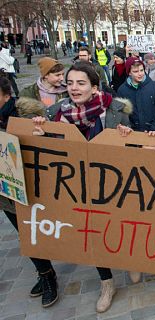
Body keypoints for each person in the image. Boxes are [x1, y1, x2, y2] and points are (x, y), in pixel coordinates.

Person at [32, 61, 133, 312]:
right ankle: (106, 282)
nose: (74, 88)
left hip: (113, 183)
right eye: (70, 83)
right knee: (94, 231)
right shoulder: (55, 113)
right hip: (77, 186)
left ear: (94, 87)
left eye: (81, 83)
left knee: (122, 225)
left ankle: (132, 259)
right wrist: (39, 133)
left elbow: (133, 147)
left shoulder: (116, 109)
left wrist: (125, 135)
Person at [0, 71, 59, 308]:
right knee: (26, 234)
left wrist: (40, 133)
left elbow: (51, 144)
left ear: (6, 95)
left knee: (38, 227)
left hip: (35, 183)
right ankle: (46, 275)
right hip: (7, 190)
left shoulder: (28, 113)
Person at [117, 56, 155, 132]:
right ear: (129, 73)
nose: (140, 74)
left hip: (153, 132)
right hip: (132, 134)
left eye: (141, 70)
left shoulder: (154, 86)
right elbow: (120, 113)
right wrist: (127, 126)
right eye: (135, 71)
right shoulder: (122, 90)